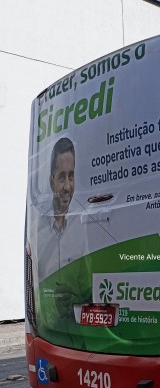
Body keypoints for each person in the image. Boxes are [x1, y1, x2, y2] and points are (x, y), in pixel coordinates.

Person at [35, 137, 88, 327]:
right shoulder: (37, 231)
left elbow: (87, 289)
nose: (67, 186)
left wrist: (76, 300)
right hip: (47, 332)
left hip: (76, 336)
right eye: (61, 177)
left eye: (71, 176)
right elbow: (34, 291)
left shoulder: (80, 230)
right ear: (51, 182)